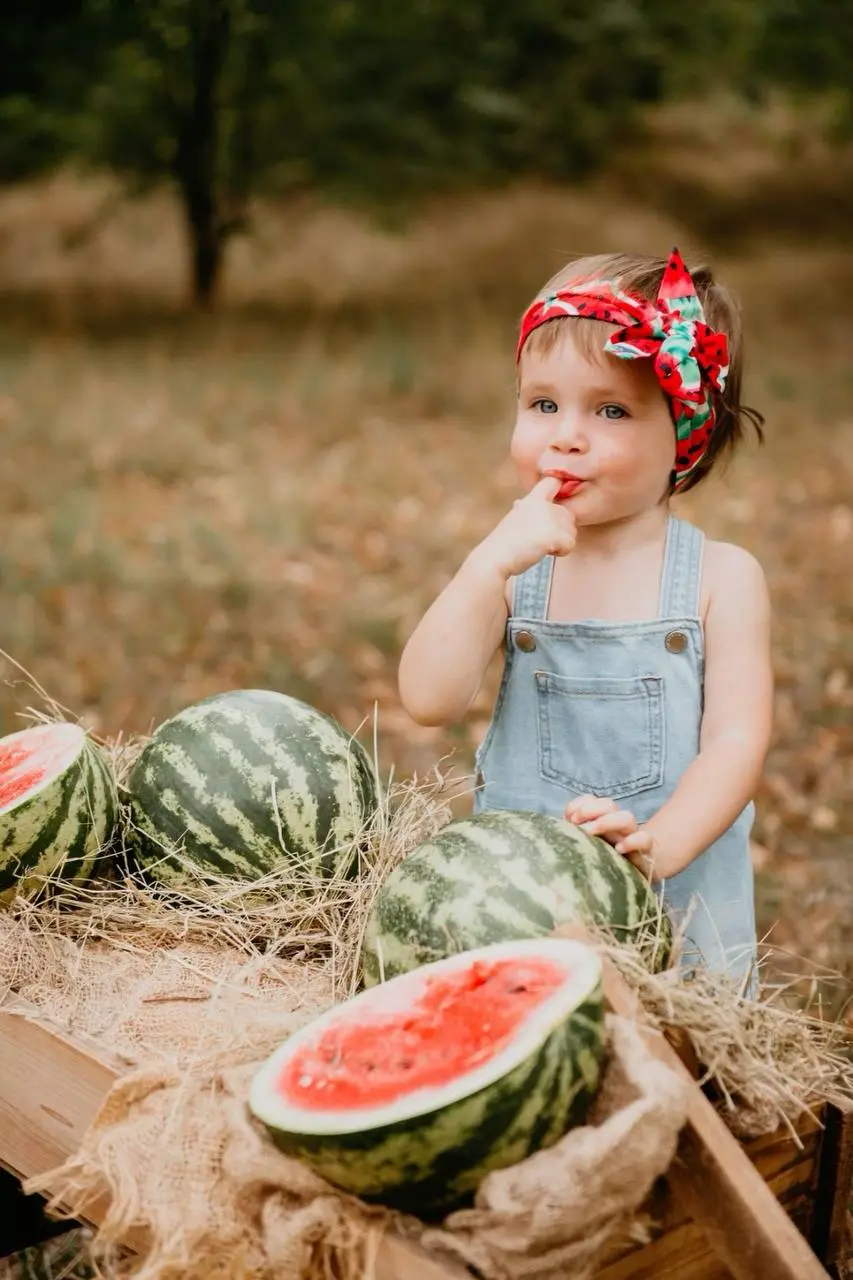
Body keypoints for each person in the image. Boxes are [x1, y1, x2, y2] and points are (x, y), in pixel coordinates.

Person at [398, 247, 773, 991]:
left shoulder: (720, 579)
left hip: (677, 913)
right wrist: (484, 568)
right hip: (522, 916)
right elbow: (428, 699)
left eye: (610, 410)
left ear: (685, 433)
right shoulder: (517, 569)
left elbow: (736, 741)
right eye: (542, 405)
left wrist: (658, 847)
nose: (565, 435)